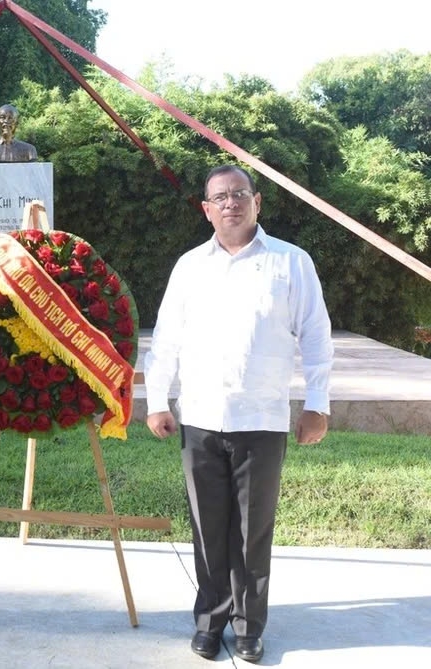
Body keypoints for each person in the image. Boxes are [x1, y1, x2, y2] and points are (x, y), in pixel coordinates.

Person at [144, 165, 333, 663]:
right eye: (219, 197)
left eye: (239, 194)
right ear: (206, 209)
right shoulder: (189, 266)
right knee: (207, 529)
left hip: (262, 420)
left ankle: (249, 628)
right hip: (201, 418)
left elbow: (316, 336)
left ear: (257, 202)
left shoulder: (291, 264)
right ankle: (210, 621)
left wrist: (317, 404)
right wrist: (157, 400)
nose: (230, 203)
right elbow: (166, 340)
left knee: (253, 532)